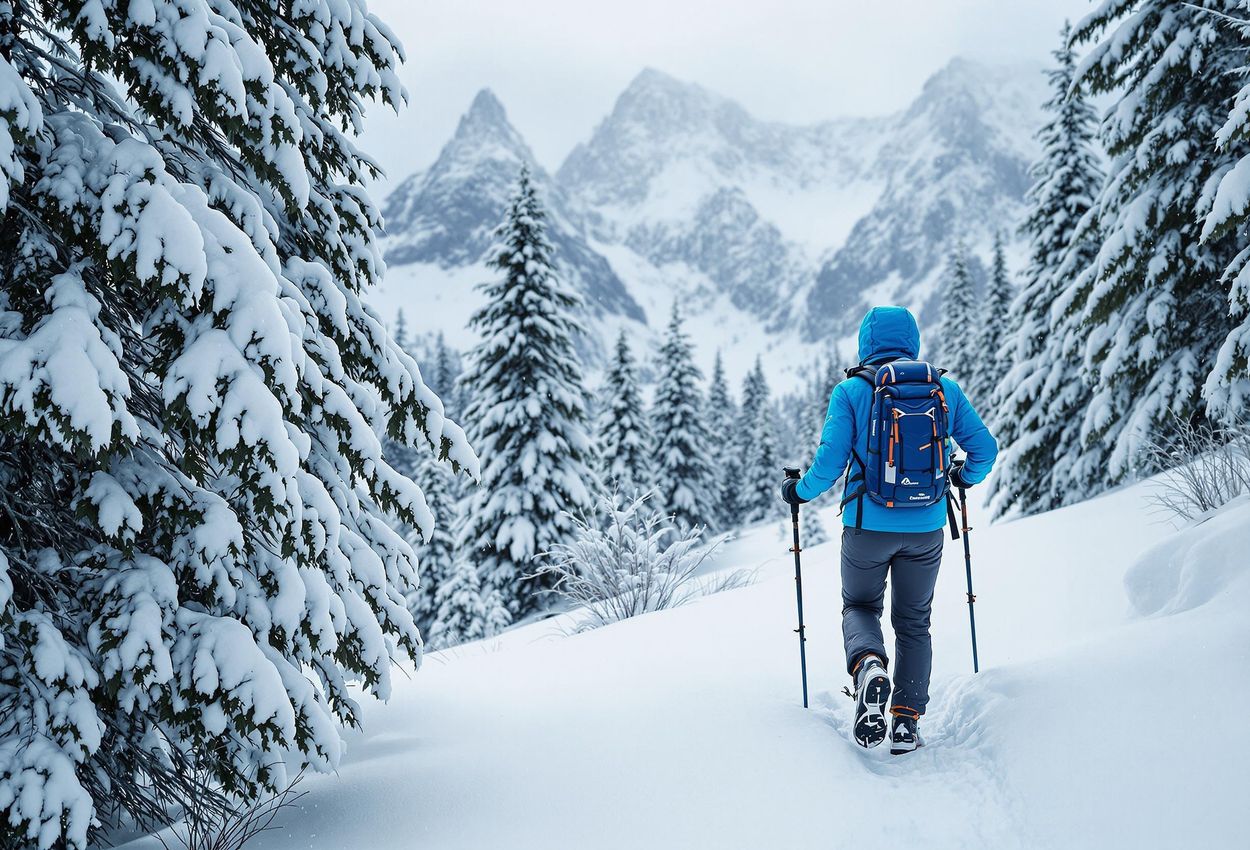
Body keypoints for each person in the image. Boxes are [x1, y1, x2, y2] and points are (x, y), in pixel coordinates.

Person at [780, 306, 997, 755]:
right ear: (912, 341)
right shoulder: (943, 388)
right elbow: (985, 449)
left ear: (865, 343)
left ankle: (868, 667)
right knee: (914, 623)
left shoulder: (851, 391)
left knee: (859, 606)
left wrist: (798, 493)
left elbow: (829, 464)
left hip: (866, 527)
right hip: (927, 529)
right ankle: (905, 722)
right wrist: (962, 479)